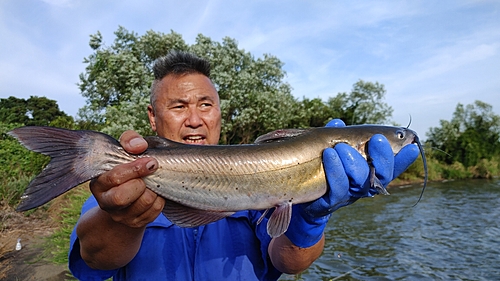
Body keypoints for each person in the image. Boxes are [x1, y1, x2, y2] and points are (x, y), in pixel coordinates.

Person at [69, 51, 419, 280]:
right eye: (178, 107)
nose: (194, 119)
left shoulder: (259, 184)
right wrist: (123, 217)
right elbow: (95, 260)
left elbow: (289, 262)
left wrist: (309, 220)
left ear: (220, 110)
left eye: (205, 104)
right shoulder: (118, 184)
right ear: (152, 117)